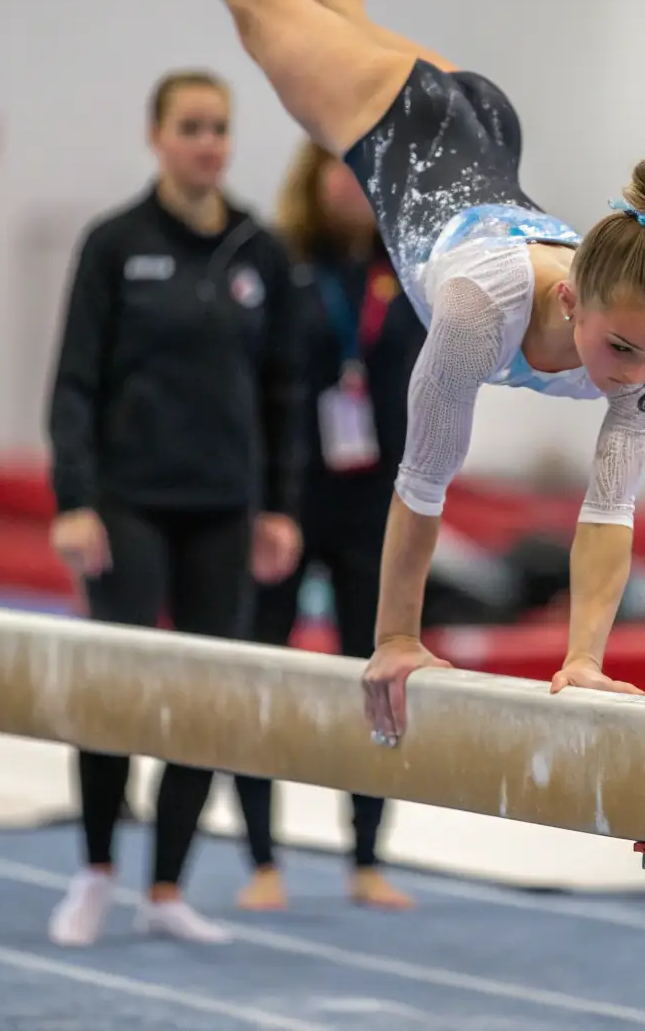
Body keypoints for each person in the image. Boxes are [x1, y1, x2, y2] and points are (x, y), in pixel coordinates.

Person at [100, 0, 645, 744]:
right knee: (265, 7)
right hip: (404, 128)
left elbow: (608, 511)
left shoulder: (633, 336)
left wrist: (584, 660)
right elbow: (421, 484)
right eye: (621, 349)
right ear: (572, 298)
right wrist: (397, 637)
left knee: (335, 14)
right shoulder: (477, 308)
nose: (636, 374)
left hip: (482, 128)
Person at [45, 68, 304, 946]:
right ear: (156, 135)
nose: (207, 141)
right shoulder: (115, 243)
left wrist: (280, 506)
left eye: (220, 127)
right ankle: (94, 871)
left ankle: (165, 885)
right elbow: (75, 379)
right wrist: (74, 498)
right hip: (129, 501)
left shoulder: (258, 252)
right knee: (114, 689)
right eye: (191, 125)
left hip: (223, 505)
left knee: (204, 696)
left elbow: (284, 392)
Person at [233, 141, 425, 911]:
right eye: (336, 168)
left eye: (363, 170)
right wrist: (261, 500)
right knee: (265, 676)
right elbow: (259, 383)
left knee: (377, 681)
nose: (350, 183)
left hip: (376, 502)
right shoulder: (281, 265)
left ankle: (367, 856)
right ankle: (261, 859)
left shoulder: (407, 270)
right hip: (290, 497)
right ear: (309, 180)